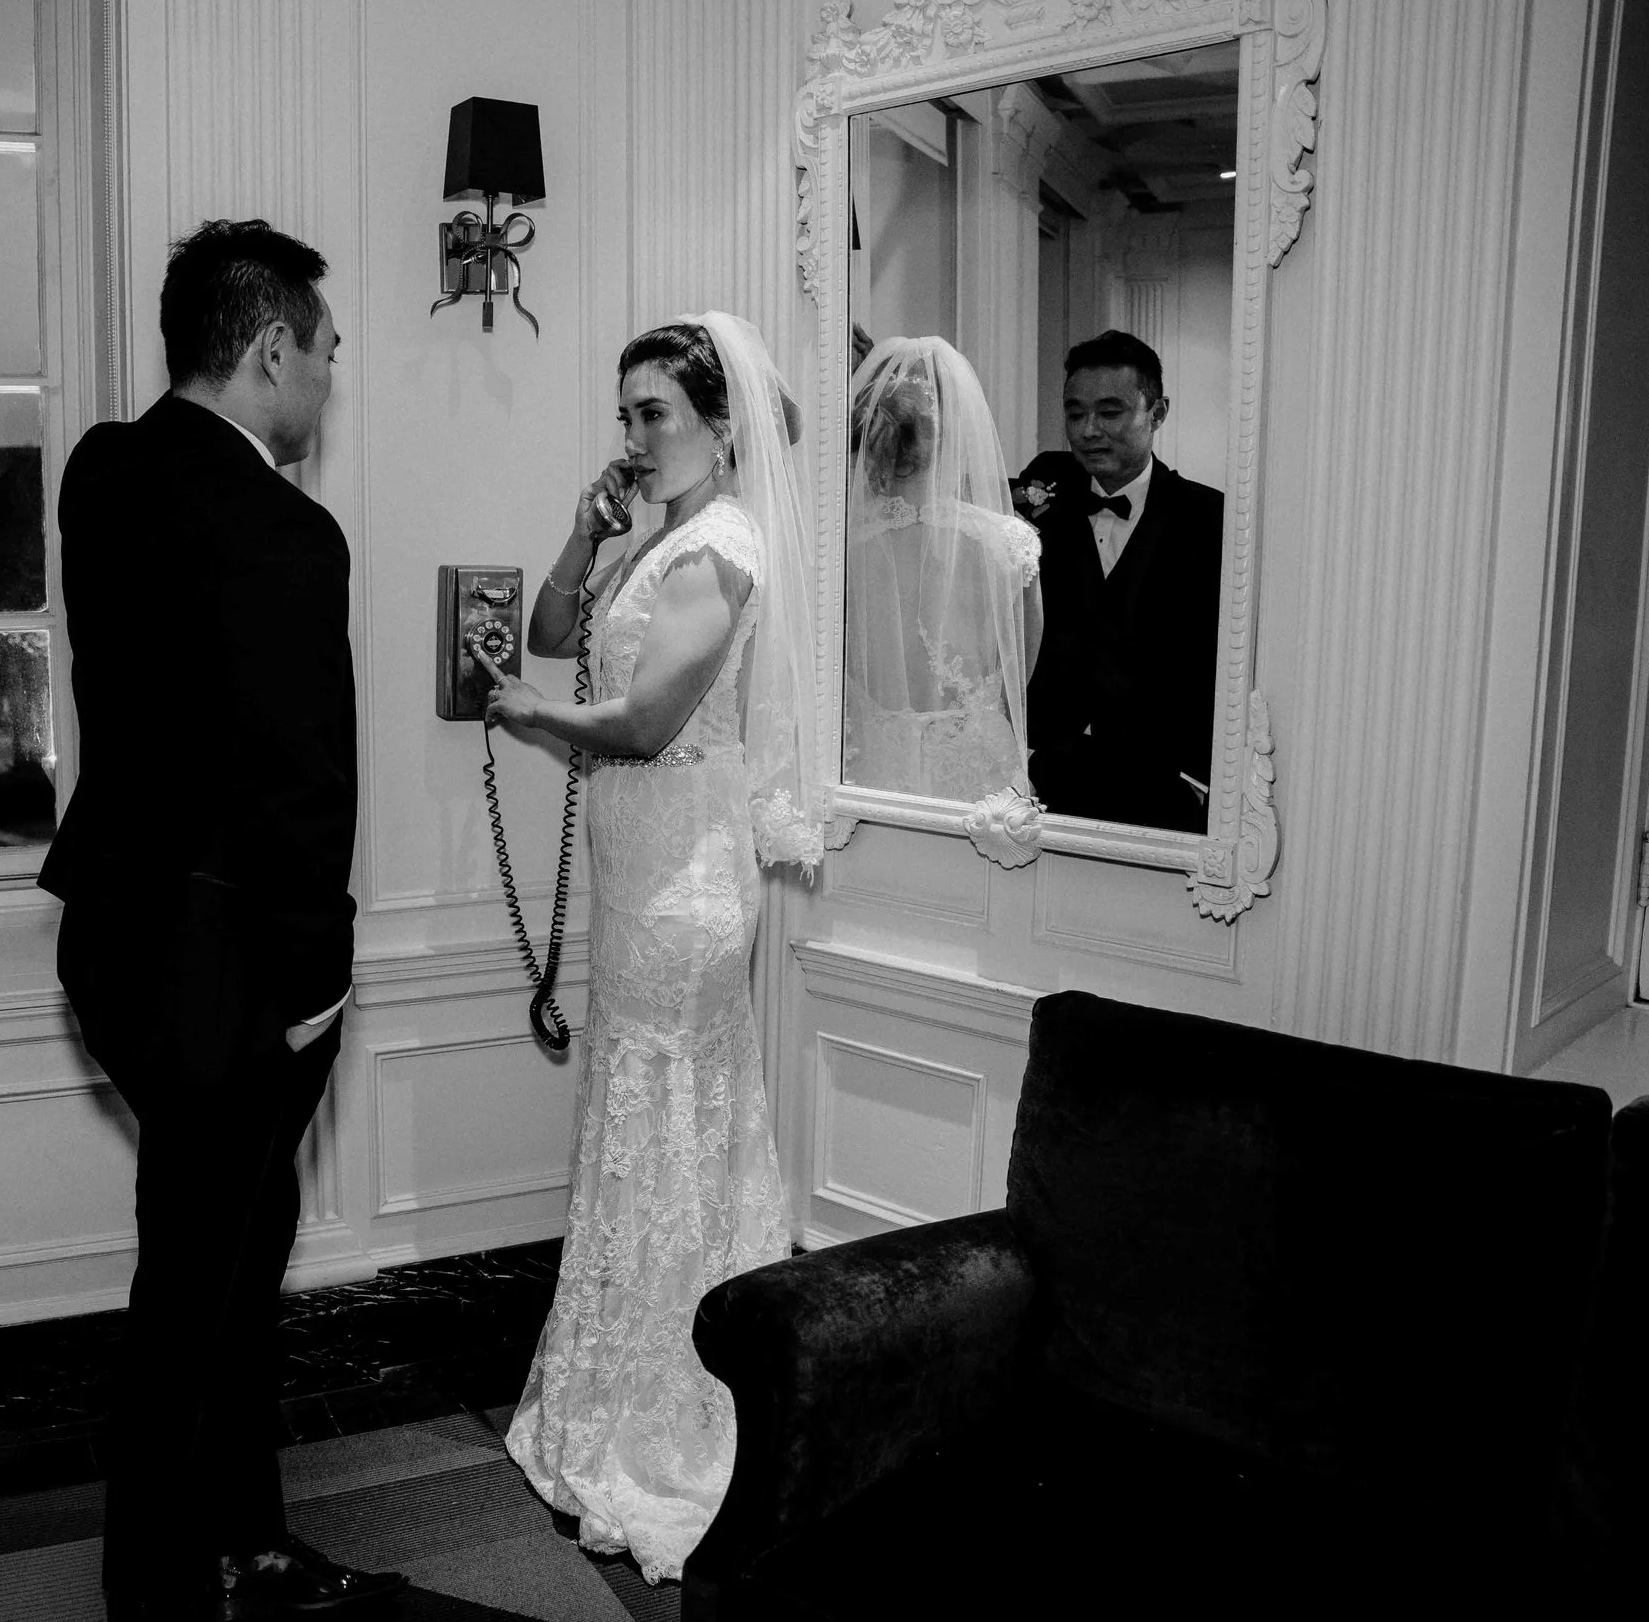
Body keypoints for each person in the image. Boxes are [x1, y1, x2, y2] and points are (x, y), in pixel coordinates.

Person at [38, 219, 403, 1621]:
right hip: (229, 961)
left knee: (221, 1253)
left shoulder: (103, 472)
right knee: (201, 1282)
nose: (324, 384)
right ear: (267, 352)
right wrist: (315, 985)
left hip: (114, 939)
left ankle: (241, 1536)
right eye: (322, 355)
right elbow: (305, 786)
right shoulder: (290, 535)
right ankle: (163, 1585)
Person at [476, 312, 824, 1583]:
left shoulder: (722, 546)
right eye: (623, 413)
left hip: (680, 882)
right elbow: (565, 625)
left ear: (720, 424)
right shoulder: (661, 538)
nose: (632, 434)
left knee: (669, 1115)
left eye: (653, 414)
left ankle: (683, 1396)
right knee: (641, 1116)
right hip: (638, 872)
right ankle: (621, 1373)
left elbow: (641, 719)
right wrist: (586, 528)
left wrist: (524, 716)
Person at [1018, 329, 1223, 832]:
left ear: (1157, 413)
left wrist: (1201, 779)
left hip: (1161, 783)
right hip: (1044, 773)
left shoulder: (1209, 517)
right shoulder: (1043, 486)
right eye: (1074, 413)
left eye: (1110, 412)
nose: (1088, 430)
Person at [843, 336, 1042, 800]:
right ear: (955, 437)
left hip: (871, 766)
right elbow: (1020, 666)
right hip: (977, 770)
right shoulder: (1009, 543)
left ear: (869, 446)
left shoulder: (842, 550)